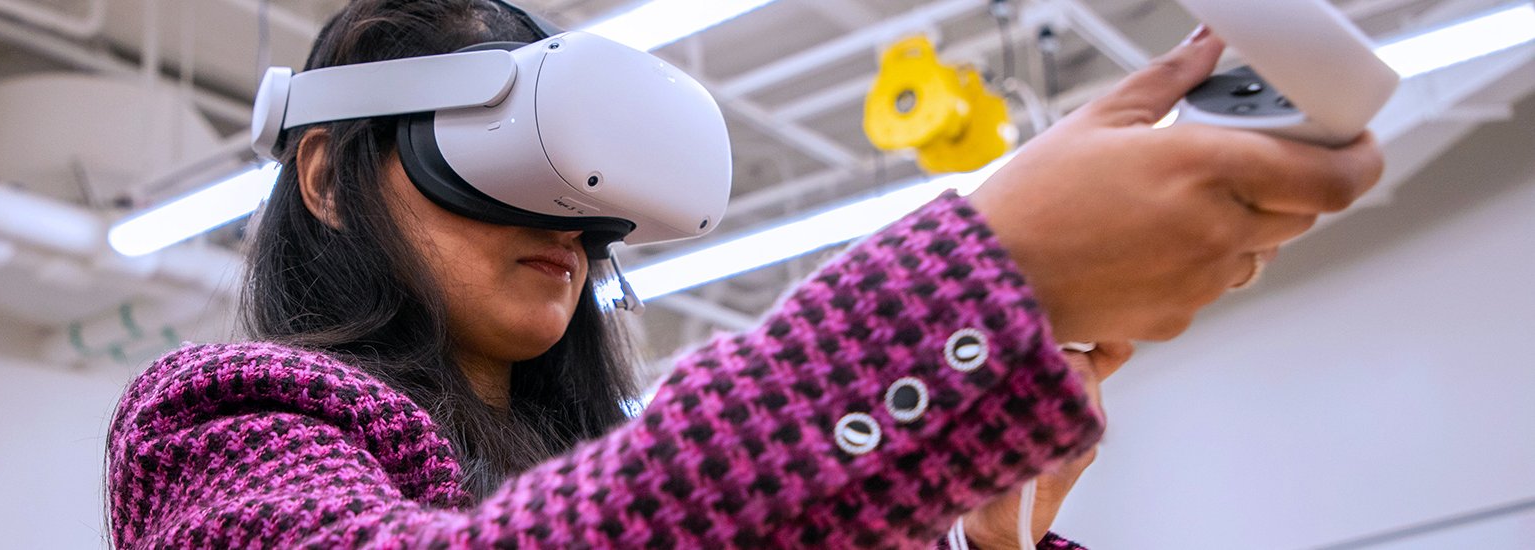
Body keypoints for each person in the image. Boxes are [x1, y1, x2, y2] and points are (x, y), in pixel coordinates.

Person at [104, 1, 1383, 548]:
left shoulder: (660, 484)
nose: (569, 224)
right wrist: (972, 285)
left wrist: (993, 537)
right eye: (499, 156)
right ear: (327, 176)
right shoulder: (223, 422)